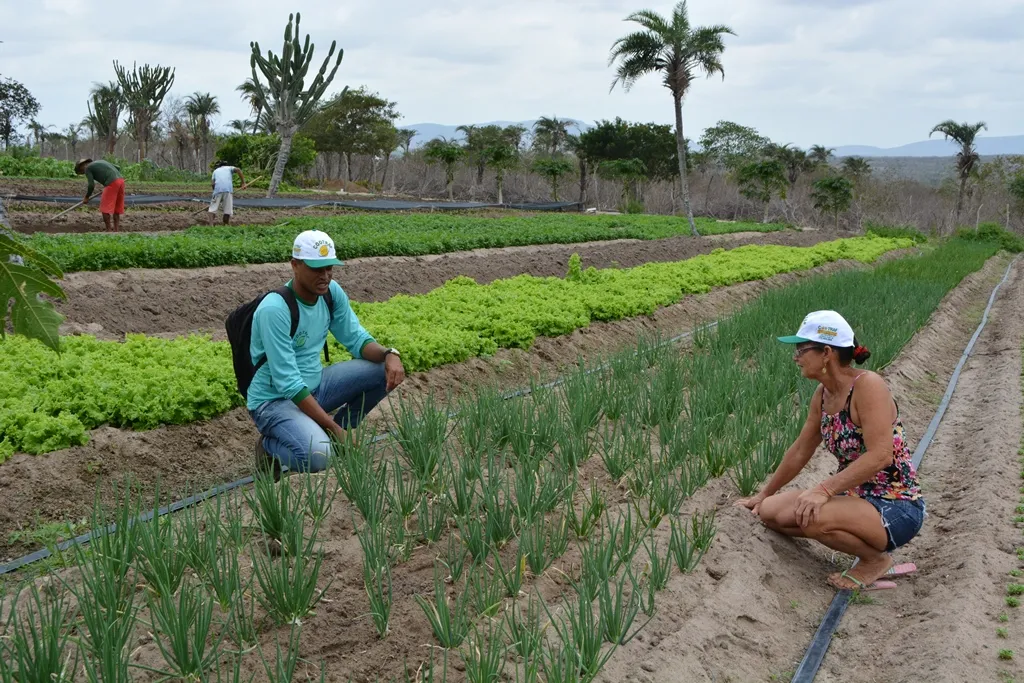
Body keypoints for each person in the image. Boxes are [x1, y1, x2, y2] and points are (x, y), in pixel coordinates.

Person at [735, 310, 926, 592]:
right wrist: (763, 494)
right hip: (853, 497)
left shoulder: (868, 386)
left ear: (826, 352)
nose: (795, 357)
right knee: (770, 512)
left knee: (812, 516)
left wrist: (822, 491)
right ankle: (844, 535)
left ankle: (874, 560)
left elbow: (881, 455)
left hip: (895, 504)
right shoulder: (822, 395)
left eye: (801, 349)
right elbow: (801, 449)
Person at [247, 229, 406, 477]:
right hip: (274, 401)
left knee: (382, 370)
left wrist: (389, 354)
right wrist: (333, 429)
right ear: (295, 265)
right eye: (316, 269)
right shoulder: (274, 309)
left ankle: (338, 432)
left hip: (316, 387)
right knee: (319, 457)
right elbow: (288, 383)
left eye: (329, 268)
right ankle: (270, 448)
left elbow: (357, 340)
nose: (325, 276)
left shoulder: (331, 294)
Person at [74, 158, 125, 232]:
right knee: (116, 209)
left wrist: (86, 197)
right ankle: (116, 231)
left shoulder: (88, 168)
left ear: (82, 166)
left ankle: (108, 231)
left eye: (81, 171)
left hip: (111, 183)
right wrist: (112, 180)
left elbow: (91, 185)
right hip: (121, 181)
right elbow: (118, 168)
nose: (83, 172)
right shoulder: (101, 161)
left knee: (105, 209)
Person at [209, 160, 245, 225]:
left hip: (217, 190)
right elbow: (238, 170)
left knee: (212, 209)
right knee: (227, 210)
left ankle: (211, 225)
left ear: (219, 166)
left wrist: (215, 192)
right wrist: (243, 183)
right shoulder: (229, 168)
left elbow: (213, 184)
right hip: (227, 190)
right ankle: (225, 224)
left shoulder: (215, 171)